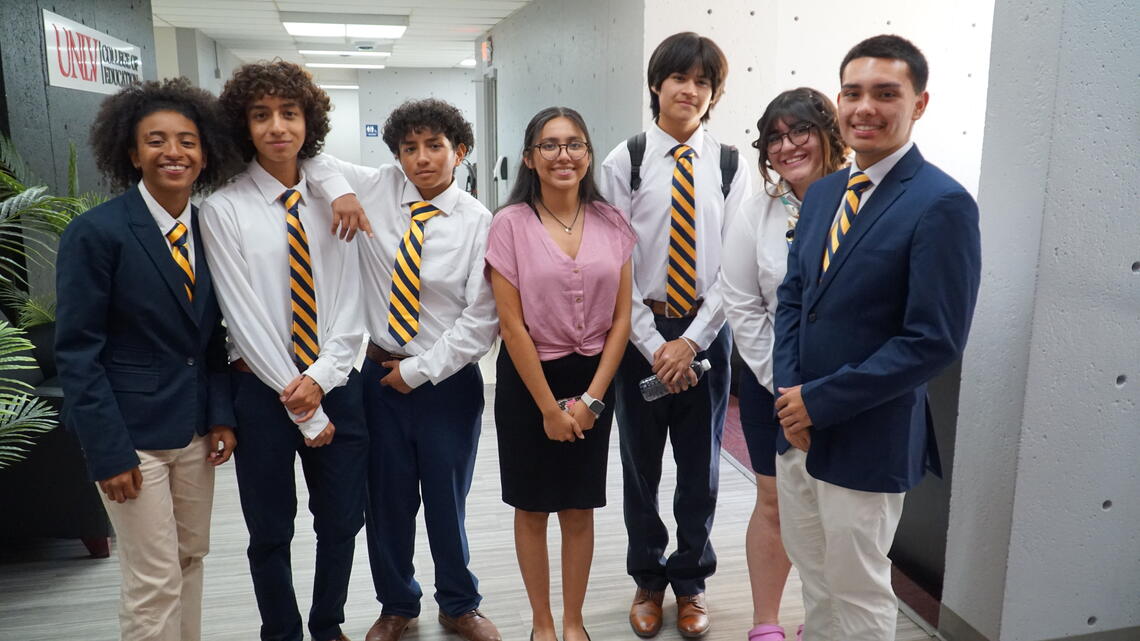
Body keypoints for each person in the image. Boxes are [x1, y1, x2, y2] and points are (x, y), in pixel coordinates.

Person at [773, 35, 981, 641]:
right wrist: (791, 395)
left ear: (918, 104)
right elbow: (795, 300)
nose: (865, 107)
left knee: (858, 589)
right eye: (853, 92)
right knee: (814, 578)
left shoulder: (941, 204)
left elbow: (933, 340)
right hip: (796, 430)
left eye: (886, 94)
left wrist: (820, 399)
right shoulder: (826, 193)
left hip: (869, 434)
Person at [305, 99, 502, 641]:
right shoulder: (377, 187)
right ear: (395, 156)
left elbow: (481, 319)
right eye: (409, 148)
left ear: (459, 151)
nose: (422, 159)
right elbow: (312, 159)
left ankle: (460, 604)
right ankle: (398, 604)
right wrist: (342, 194)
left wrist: (418, 372)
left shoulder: (478, 221)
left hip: (447, 383)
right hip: (376, 378)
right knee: (387, 501)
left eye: (434, 146)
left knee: (447, 500)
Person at [55, 77, 239, 641]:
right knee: (152, 577)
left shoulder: (210, 230)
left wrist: (221, 415)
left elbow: (210, 339)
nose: (173, 152)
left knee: (189, 559)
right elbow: (77, 353)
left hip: (192, 431)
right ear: (132, 153)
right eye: (155, 141)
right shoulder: (97, 233)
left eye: (186, 140)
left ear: (204, 152)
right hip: (131, 437)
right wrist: (107, 452)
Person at [199, 60, 366, 641]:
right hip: (263, 390)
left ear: (308, 121)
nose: (277, 127)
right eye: (261, 115)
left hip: (337, 383)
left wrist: (323, 379)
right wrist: (305, 403)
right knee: (270, 529)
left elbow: (352, 301)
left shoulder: (335, 201)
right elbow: (242, 320)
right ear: (243, 125)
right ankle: (282, 632)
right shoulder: (221, 209)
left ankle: (327, 626)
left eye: (289, 114)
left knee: (342, 520)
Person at [599, 31, 751, 639]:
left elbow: (735, 265)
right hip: (639, 330)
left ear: (712, 95)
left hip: (707, 330)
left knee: (700, 466)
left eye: (703, 82)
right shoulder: (625, 160)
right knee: (641, 465)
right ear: (658, 84)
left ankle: (690, 582)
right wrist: (653, 341)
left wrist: (691, 340)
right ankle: (647, 577)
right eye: (680, 78)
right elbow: (613, 261)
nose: (690, 91)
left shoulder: (731, 163)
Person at [485, 106, 634, 641]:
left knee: (578, 504)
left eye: (574, 144)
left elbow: (622, 319)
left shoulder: (612, 222)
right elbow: (511, 323)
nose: (563, 155)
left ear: (588, 154)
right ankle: (542, 623)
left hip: (594, 377)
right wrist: (550, 407)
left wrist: (591, 401)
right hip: (529, 383)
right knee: (532, 505)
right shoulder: (509, 224)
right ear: (530, 157)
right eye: (549, 145)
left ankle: (573, 621)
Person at [721, 87, 849, 641]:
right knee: (774, 499)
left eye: (800, 131)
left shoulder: (862, 202)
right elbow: (742, 303)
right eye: (775, 136)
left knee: (840, 507)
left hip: (847, 384)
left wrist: (827, 389)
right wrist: (784, 384)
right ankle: (766, 623)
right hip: (770, 383)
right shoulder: (757, 213)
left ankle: (824, 621)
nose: (787, 145)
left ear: (829, 135)